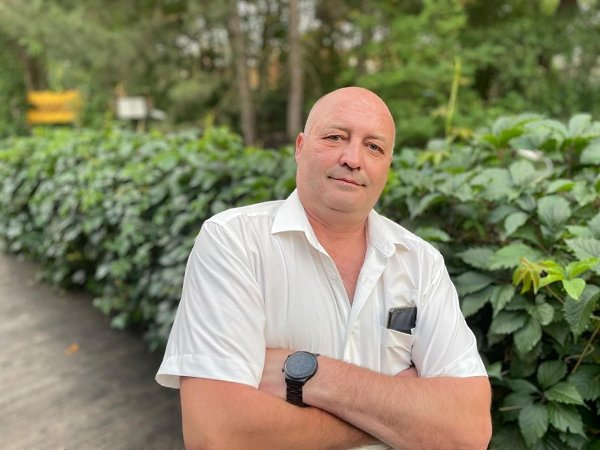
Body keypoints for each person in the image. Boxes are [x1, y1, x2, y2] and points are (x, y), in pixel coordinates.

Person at [156, 87, 492, 449]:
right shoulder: (234, 242)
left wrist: (310, 374)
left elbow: (469, 431)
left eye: (374, 147)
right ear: (300, 147)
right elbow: (216, 435)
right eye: (336, 137)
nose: (353, 159)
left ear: (388, 166)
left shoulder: (421, 262)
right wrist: (399, 415)